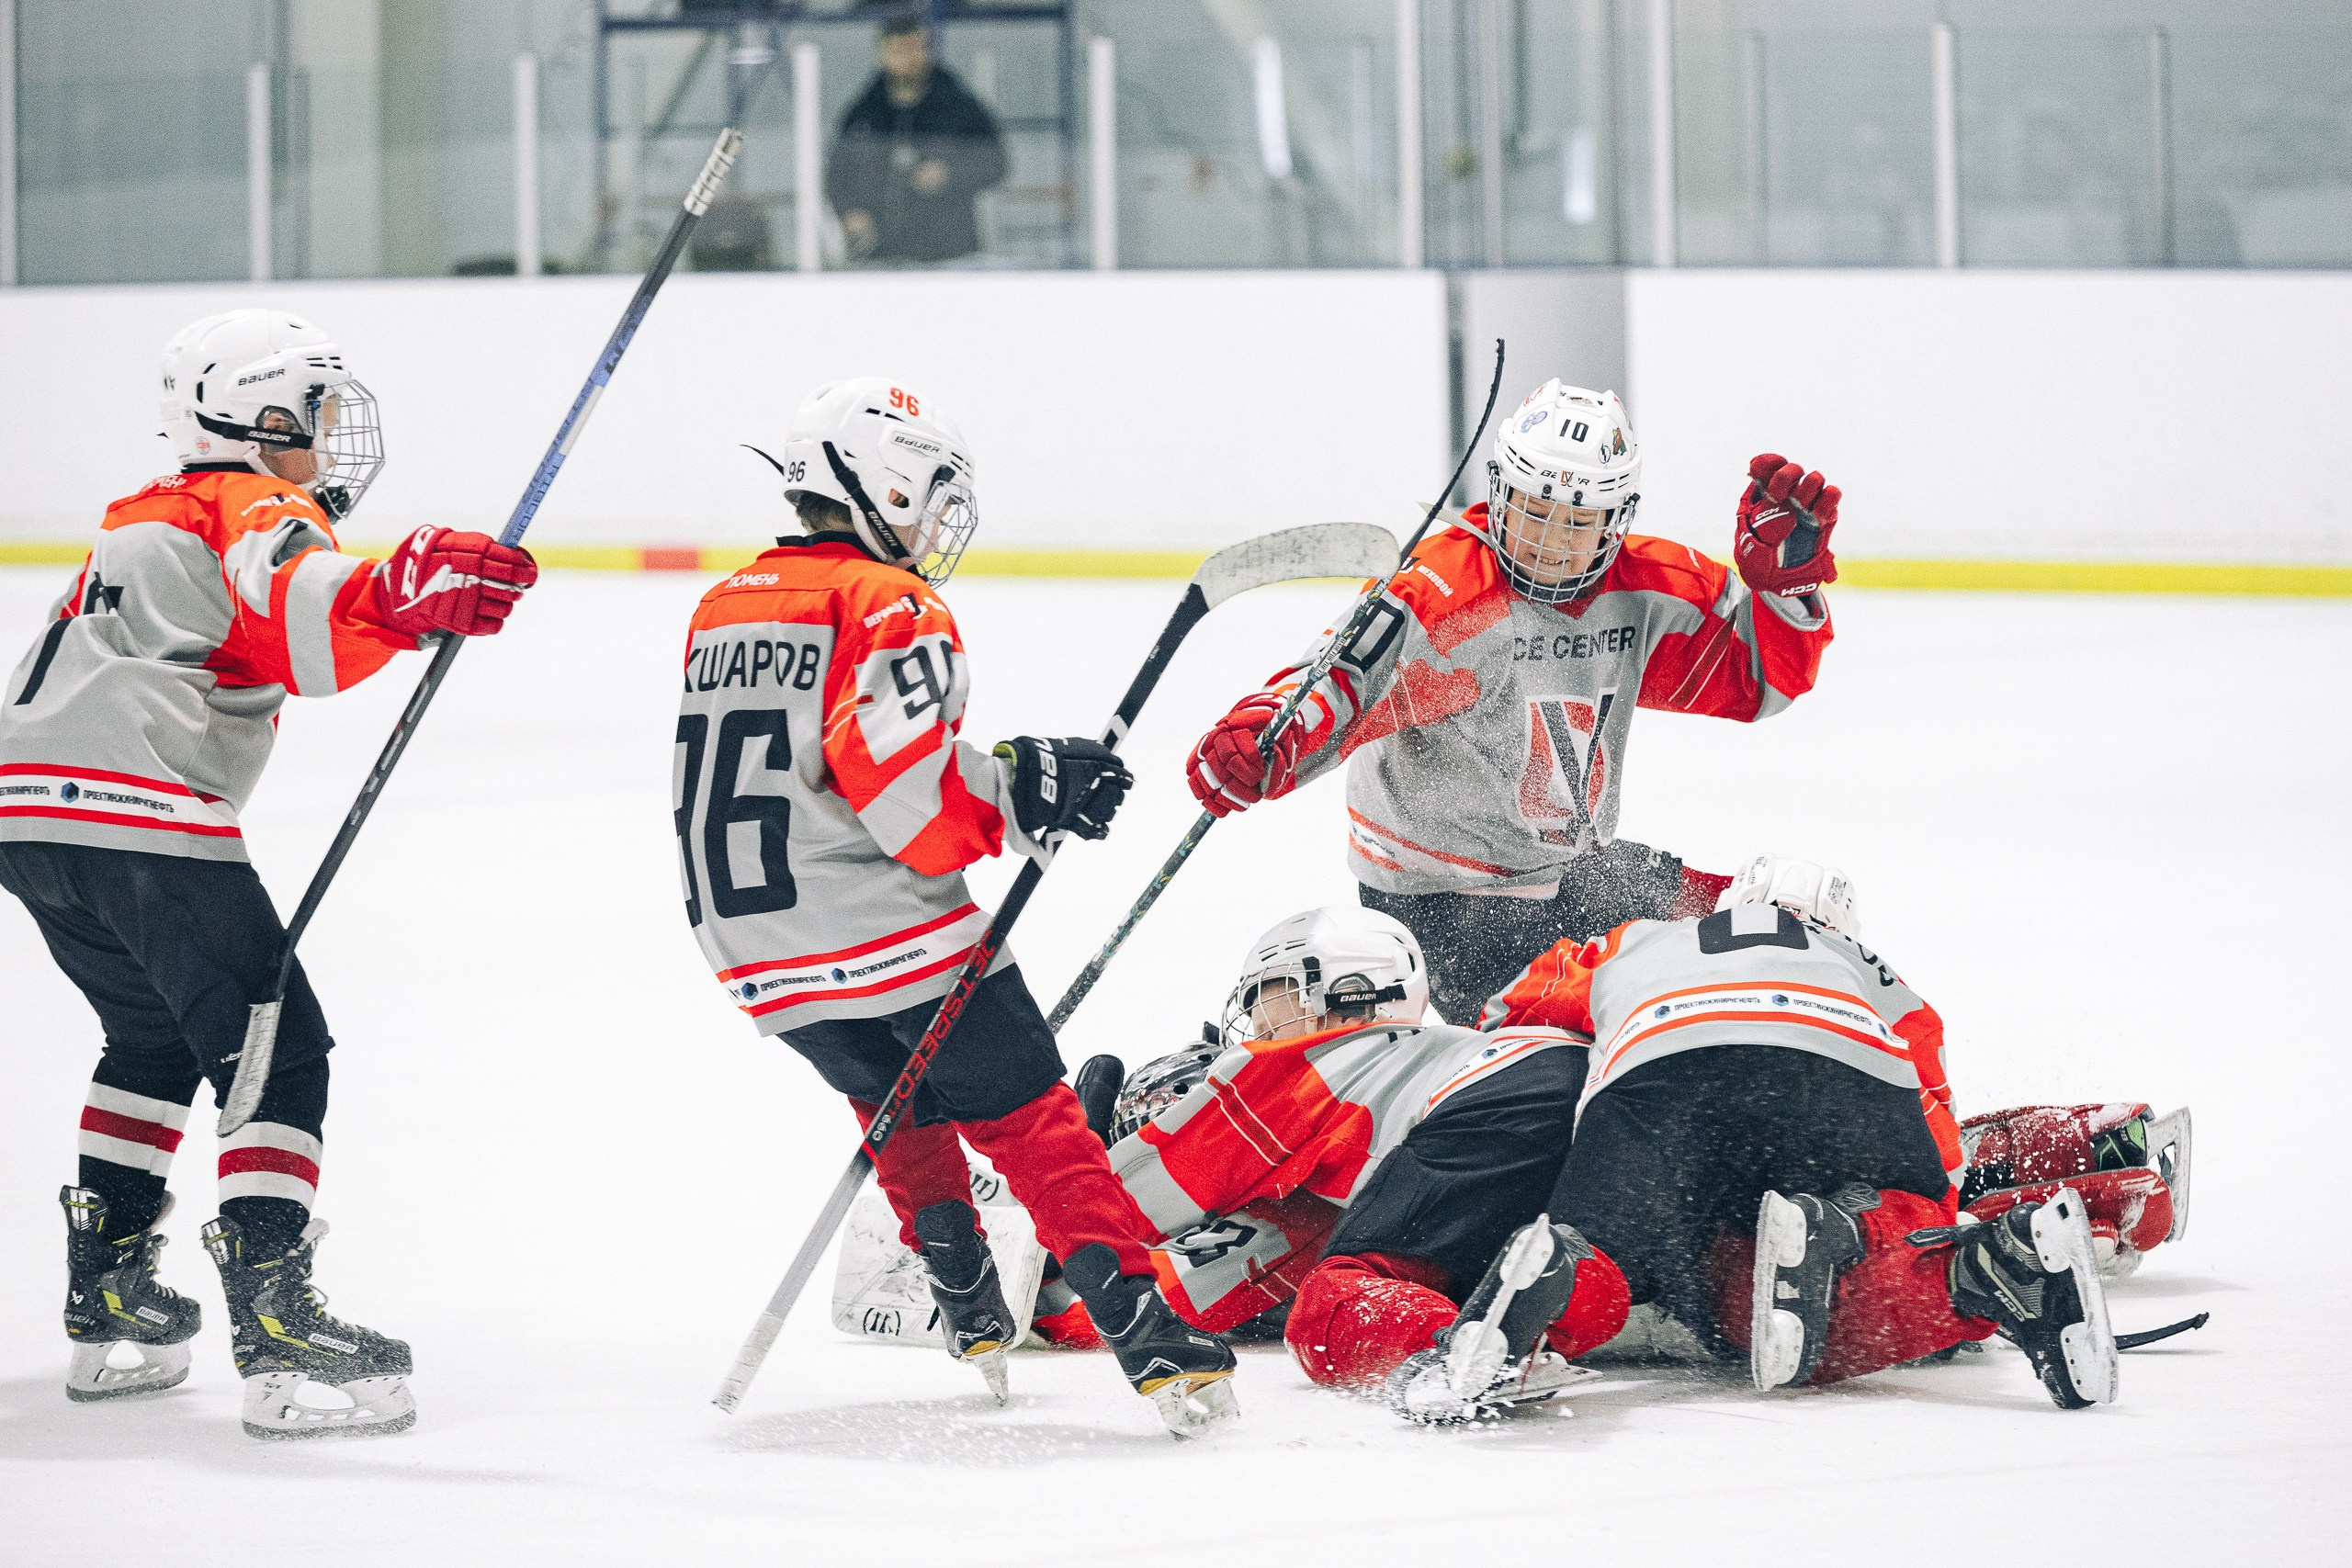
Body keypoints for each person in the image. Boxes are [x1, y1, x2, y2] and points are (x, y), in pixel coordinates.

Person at [2, 308, 538, 1438]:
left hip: (26, 813)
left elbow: (263, 625)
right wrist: (402, 591)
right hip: (134, 805)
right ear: (259, 417)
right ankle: (277, 1325)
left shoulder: (147, 516)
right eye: (316, 416)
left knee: (153, 1038)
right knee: (277, 1046)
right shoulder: (254, 500)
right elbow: (300, 601)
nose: (329, 441)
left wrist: (390, 601)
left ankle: (107, 1305)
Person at [673, 377, 1235, 1437]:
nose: (936, 516)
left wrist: (1013, 780)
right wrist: (1024, 789)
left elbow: (809, 773)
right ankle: (1149, 1329)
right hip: (880, 927)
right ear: (880, 482)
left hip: (749, 948)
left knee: (897, 1097)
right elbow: (901, 794)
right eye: (928, 489)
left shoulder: (727, 601)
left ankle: (965, 1294)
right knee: (1033, 1121)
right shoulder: (888, 601)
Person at [1186, 378, 1841, 1025]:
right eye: (1535, 511)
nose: (1551, 542)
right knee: (1609, 1035)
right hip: (1444, 900)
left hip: (1572, 870)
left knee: (1758, 927)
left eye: (1579, 522)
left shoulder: (1644, 590)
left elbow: (1756, 680)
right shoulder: (1448, 597)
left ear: (1617, 520)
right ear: (1500, 493)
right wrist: (1266, 739)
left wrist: (1786, 594)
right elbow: (1343, 681)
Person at [1387, 853, 2118, 1424]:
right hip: (1849, 1069)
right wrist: (1923, 1215)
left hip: (1668, 1064)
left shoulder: (1642, 938)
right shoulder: (1881, 977)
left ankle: (1554, 1277)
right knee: (1906, 1213)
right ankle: (1978, 1257)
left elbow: (1515, 1006)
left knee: (1611, 1250)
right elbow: (1937, 1134)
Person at [1063, 906, 1621, 1414]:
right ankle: (1568, 1280)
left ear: (1351, 990)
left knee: (1330, 1308)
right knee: (1543, 1262)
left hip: (1480, 1107)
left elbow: (1129, 1208)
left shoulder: (1312, 1061)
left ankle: (1452, 1355)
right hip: (1603, 1097)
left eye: (1274, 995)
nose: (1258, 1027)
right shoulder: (1436, 1060)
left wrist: (1040, 1196)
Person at [825, 12, 1006, 265]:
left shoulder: (958, 104)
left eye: (915, 48)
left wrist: (949, 174)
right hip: (881, 254)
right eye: (898, 50)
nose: (908, 59)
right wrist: (850, 211)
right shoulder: (864, 113)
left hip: (949, 253)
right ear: (883, 53)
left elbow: (996, 161)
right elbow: (835, 173)